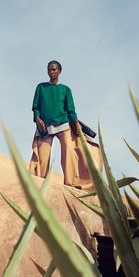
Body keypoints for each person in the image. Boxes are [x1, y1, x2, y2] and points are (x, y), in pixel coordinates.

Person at [29, 60, 102, 190]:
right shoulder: (41, 87)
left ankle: (71, 184)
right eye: (49, 69)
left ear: (59, 71)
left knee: (69, 150)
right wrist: (37, 117)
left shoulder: (66, 89)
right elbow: (35, 106)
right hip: (45, 127)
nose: (51, 72)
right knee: (42, 156)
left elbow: (71, 110)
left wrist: (75, 123)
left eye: (54, 70)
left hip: (64, 124)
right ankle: (38, 183)